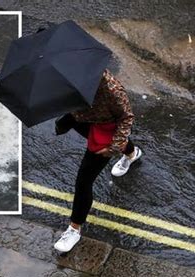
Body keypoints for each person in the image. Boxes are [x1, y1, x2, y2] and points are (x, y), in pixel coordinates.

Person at [53, 69, 142, 252]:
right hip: (82, 118)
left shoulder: (111, 89)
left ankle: (74, 229)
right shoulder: (64, 77)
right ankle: (132, 154)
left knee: (83, 180)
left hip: (104, 126)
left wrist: (113, 148)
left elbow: (126, 118)